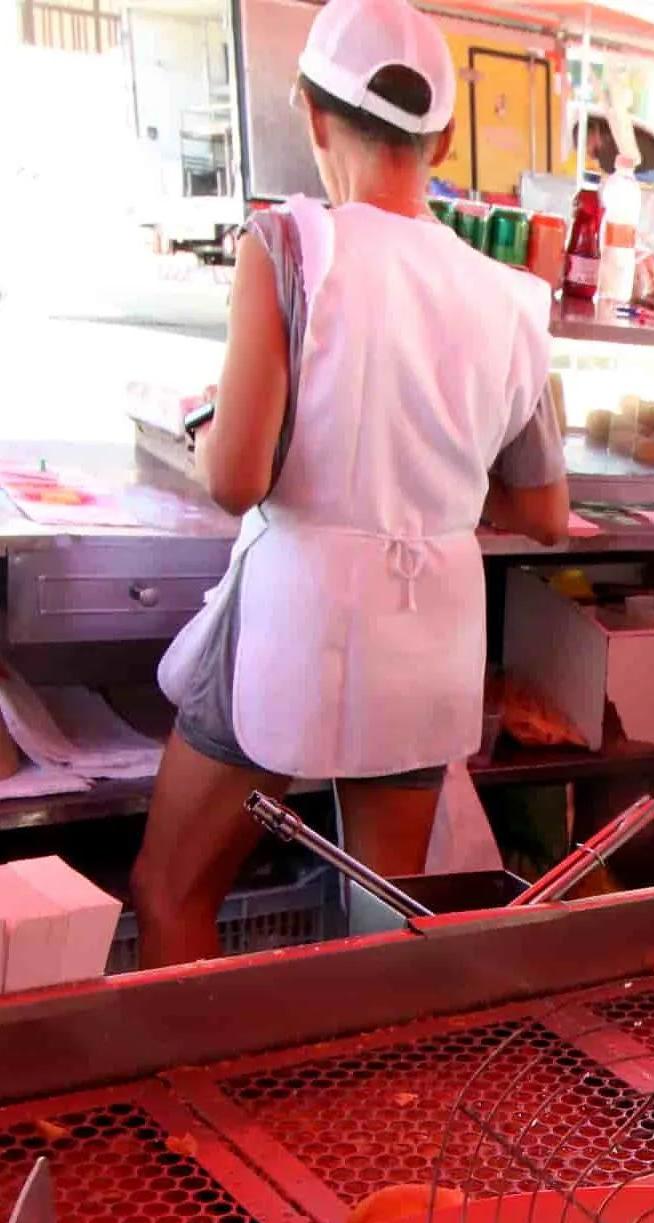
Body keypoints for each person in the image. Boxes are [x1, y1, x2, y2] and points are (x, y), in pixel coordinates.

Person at [132, 0, 566, 967]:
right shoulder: (510, 297)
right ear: (445, 138)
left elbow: (236, 479)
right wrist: (433, 477)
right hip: (429, 633)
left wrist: (208, 423)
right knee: (387, 935)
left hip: (295, 616)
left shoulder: (285, 245)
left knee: (172, 891)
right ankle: (374, 1116)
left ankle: (200, 1117)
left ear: (310, 111)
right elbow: (545, 513)